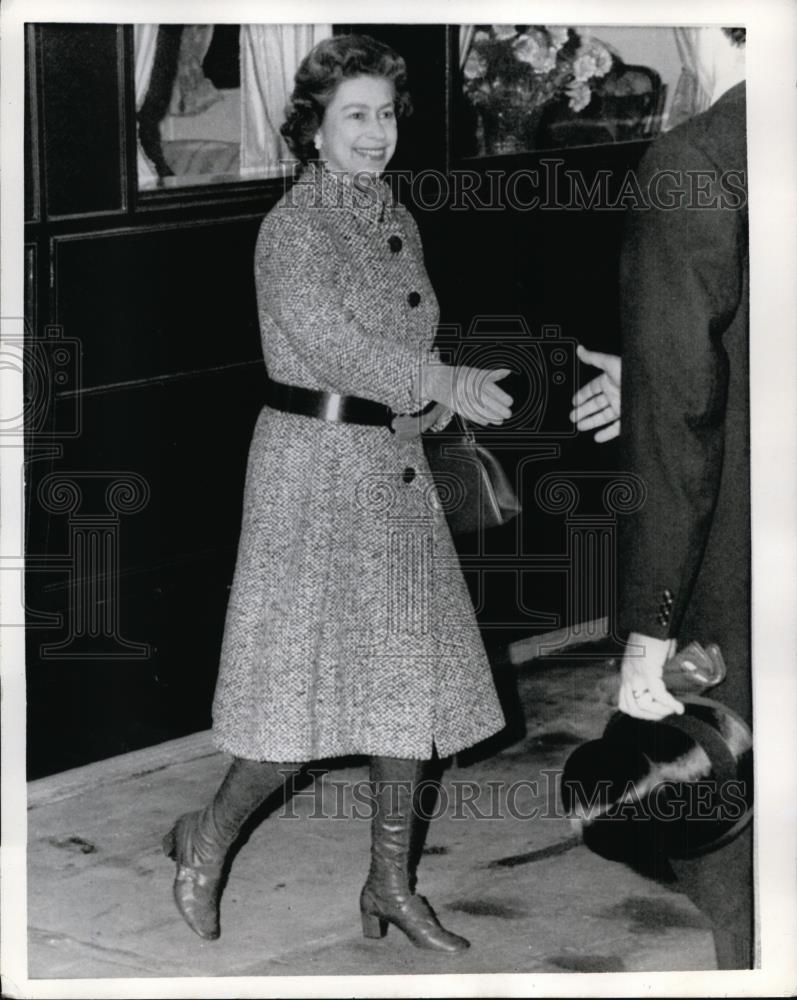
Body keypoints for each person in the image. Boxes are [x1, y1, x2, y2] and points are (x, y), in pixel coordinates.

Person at [162, 34, 514, 953]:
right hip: (310, 476)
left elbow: (399, 340)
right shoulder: (294, 227)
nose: (375, 133)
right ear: (311, 129)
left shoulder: (389, 212)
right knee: (292, 703)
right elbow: (332, 345)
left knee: (408, 691)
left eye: (386, 114)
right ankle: (204, 842)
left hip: (386, 467)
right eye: (354, 115)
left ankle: (389, 886)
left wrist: (430, 402)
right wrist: (438, 379)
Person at [571, 27, 751, 969]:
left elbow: (680, 432)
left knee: (740, 869)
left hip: (745, 571)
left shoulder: (697, 159)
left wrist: (649, 630)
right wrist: (651, 373)